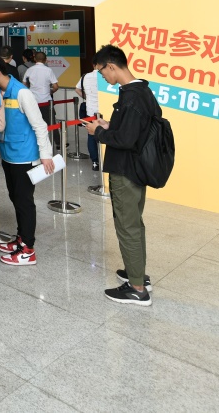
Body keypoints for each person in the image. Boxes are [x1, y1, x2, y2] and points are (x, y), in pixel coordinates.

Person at [85, 45, 155, 307]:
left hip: (126, 170)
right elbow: (133, 131)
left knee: (127, 226)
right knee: (134, 223)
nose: (103, 77)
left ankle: (137, 288)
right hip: (136, 168)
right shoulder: (141, 91)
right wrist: (110, 125)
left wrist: (98, 132)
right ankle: (137, 273)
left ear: (111, 66)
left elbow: (126, 140)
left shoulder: (131, 97)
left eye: (102, 71)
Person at [0, 57, 53, 266]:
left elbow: (39, 125)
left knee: (24, 202)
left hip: (25, 157)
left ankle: (28, 249)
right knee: (15, 198)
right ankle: (21, 239)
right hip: (8, 155)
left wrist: (45, 154)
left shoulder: (22, 93)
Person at [76, 68, 102, 173]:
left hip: (90, 111)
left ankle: (95, 162)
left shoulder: (85, 76)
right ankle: (105, 160)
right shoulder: (105, 75)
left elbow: (77, 89)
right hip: (103, 110)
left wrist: (88, 98)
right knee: (106, 134)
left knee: (91, 136)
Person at [23, 51, 59, 125]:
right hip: (46, 101)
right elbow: (55, 87)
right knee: (51, 124)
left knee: (34, 124)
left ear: (35, 59)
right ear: (45, 60)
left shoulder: (29, 70)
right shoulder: (48, 70)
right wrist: (50, 92)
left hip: (33, 102)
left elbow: (24, 84)